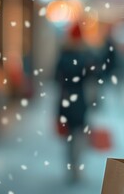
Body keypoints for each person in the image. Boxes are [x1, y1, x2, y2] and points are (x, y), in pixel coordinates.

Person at [54, 22, 90, 182]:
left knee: (68, 133)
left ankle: (70, 165)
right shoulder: (83, 56)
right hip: (79, 98)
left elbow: (55, 77)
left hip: (65, 98)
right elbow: (90, 75)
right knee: (77, 133)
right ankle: (76, 166)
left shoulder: (63, 54)